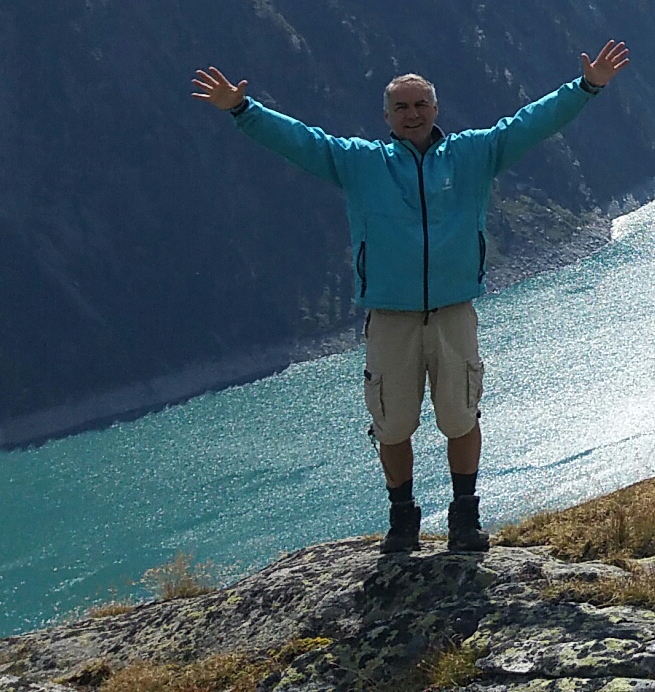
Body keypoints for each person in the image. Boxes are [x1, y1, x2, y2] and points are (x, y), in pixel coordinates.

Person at [192, 43, 629, 554]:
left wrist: (587, 86)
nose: (412, 113)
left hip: (452, 311)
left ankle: (465, 516)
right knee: (392, 422)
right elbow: (301, 142)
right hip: (391, 317)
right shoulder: (360, 163)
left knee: (461, 416)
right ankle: (403, 519)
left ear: (436, 109)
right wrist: (243, 110)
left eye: (420, 104)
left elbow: (530, 123)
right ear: (386, 116)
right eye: (401, 106)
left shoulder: (473, 153)